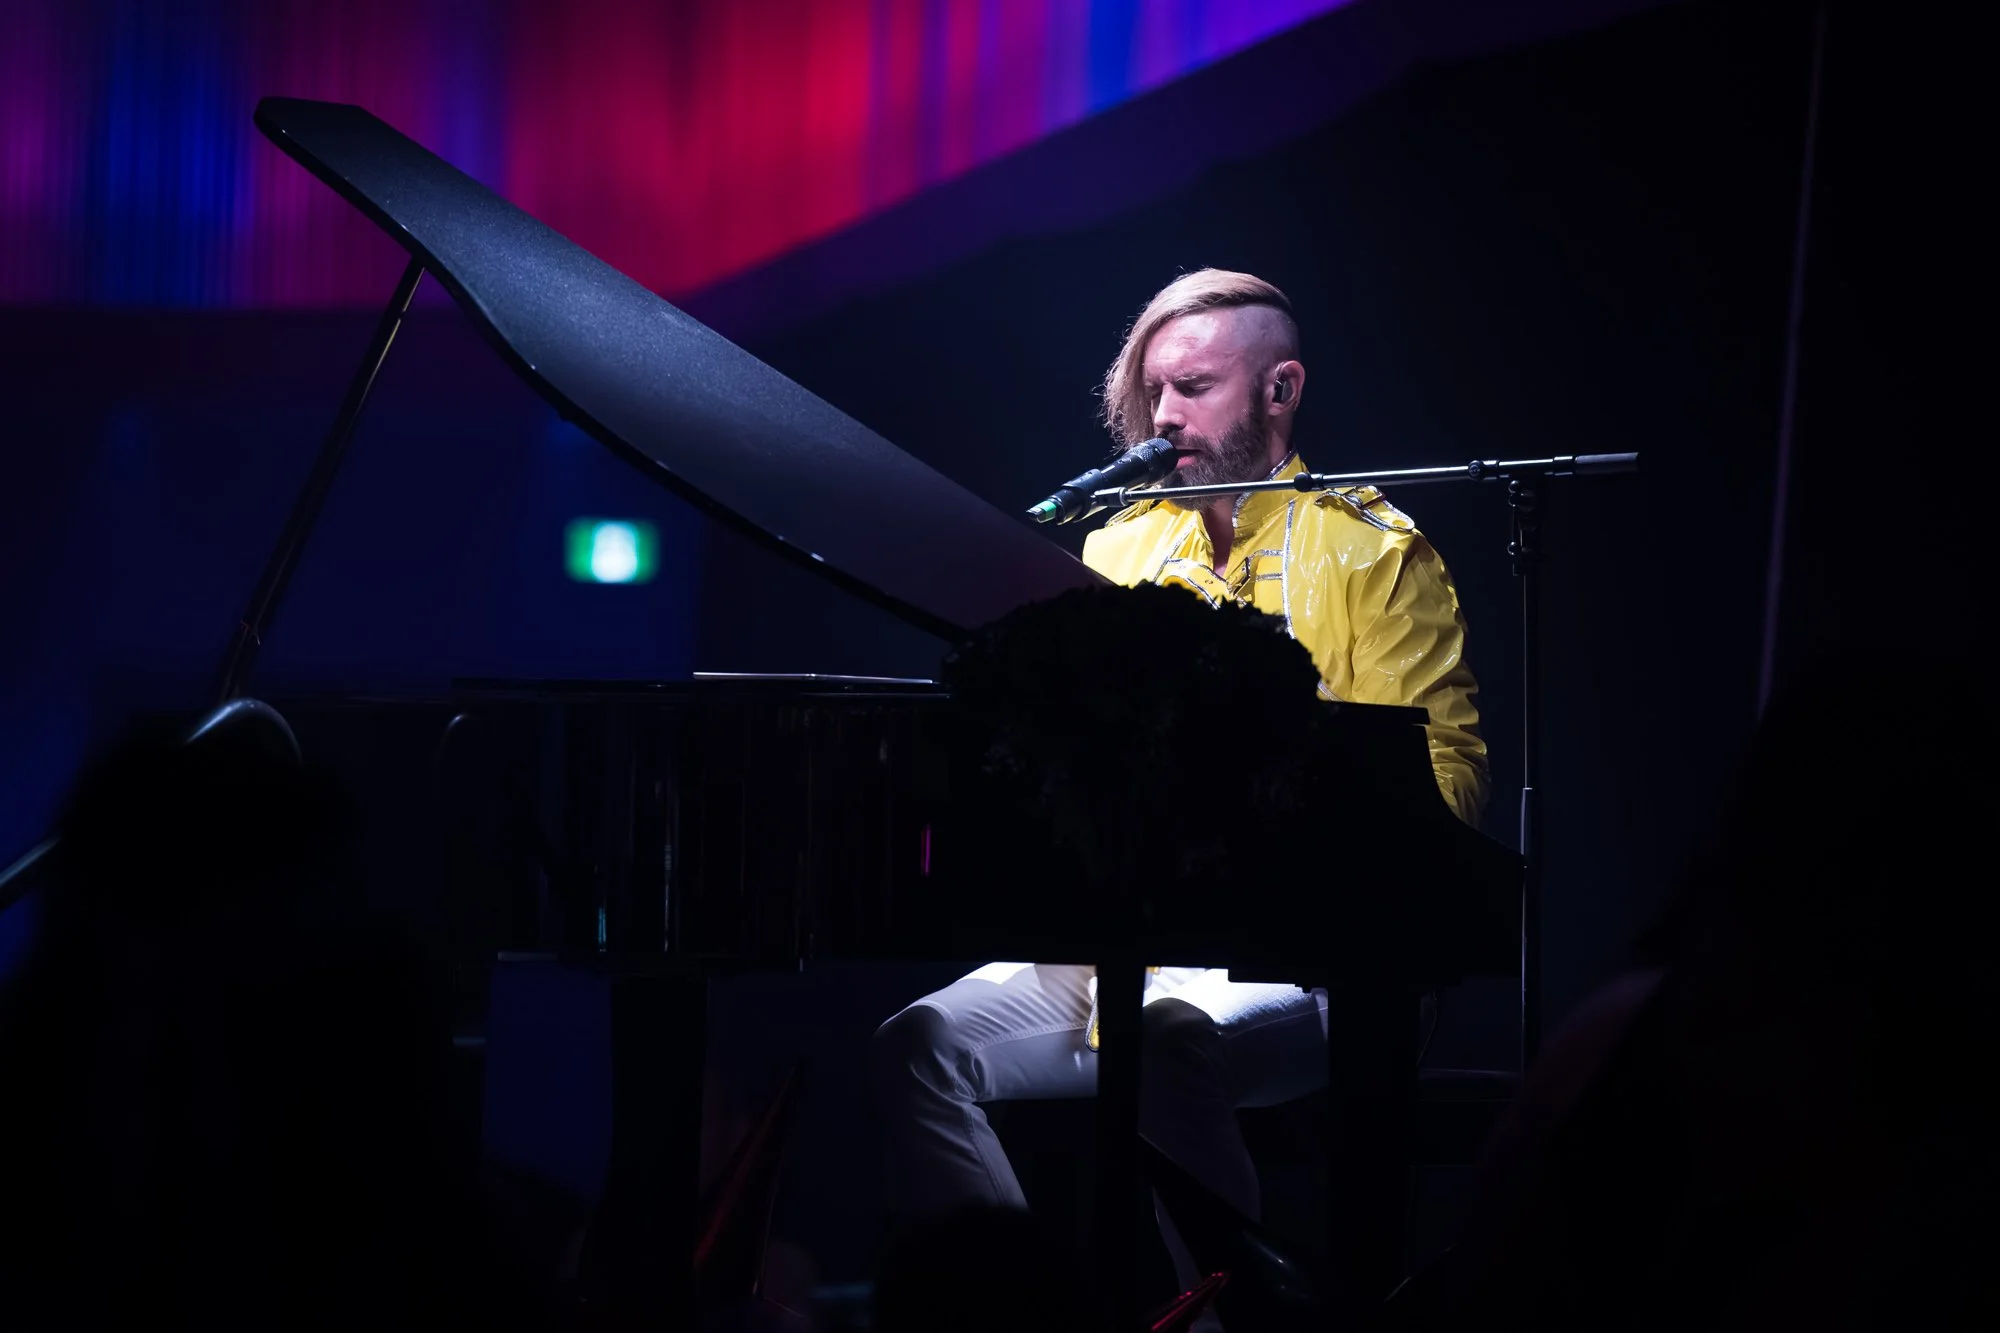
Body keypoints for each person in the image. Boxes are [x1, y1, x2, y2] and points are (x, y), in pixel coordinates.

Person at [871, 269, 1489, 1300]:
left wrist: (1288, 816)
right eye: (1153, 389)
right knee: (917, 1046)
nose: (1161, 416)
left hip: (1310, 952)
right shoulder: (1116, 542)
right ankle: (1019, 1314)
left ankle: (1224, 1321)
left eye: (1192, 387)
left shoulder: (1376, 552)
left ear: (1280, 390)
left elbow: (1449, 784)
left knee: (1162, 1039)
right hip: (1128, 931)